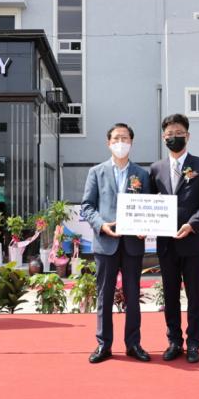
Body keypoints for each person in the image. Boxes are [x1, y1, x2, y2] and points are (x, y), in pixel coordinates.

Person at [150, 113, 199, 363]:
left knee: (194, 296)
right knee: (169, 295)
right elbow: (148, 202)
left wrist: (192, 224)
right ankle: (174, 341)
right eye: (169, 134)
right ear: (163, 137)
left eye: (179, 133)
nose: (174, 137)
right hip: (166, 243)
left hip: (192, 241)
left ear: (187, 136)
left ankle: (193, 343)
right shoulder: (155, 169)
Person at [80, 123, 152, 364]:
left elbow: (149, 207)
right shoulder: (96, 172)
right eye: (116, 138)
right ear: (108, 143)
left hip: (133, 245)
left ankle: (133, 344)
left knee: (133, 295)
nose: (121, 143)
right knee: (104, 295)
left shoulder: (142, 174)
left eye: (125, 138)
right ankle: (104, 344)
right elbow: (87, 206)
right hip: (105, 243)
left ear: (131, 142)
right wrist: (101, 225)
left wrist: (145, 227)